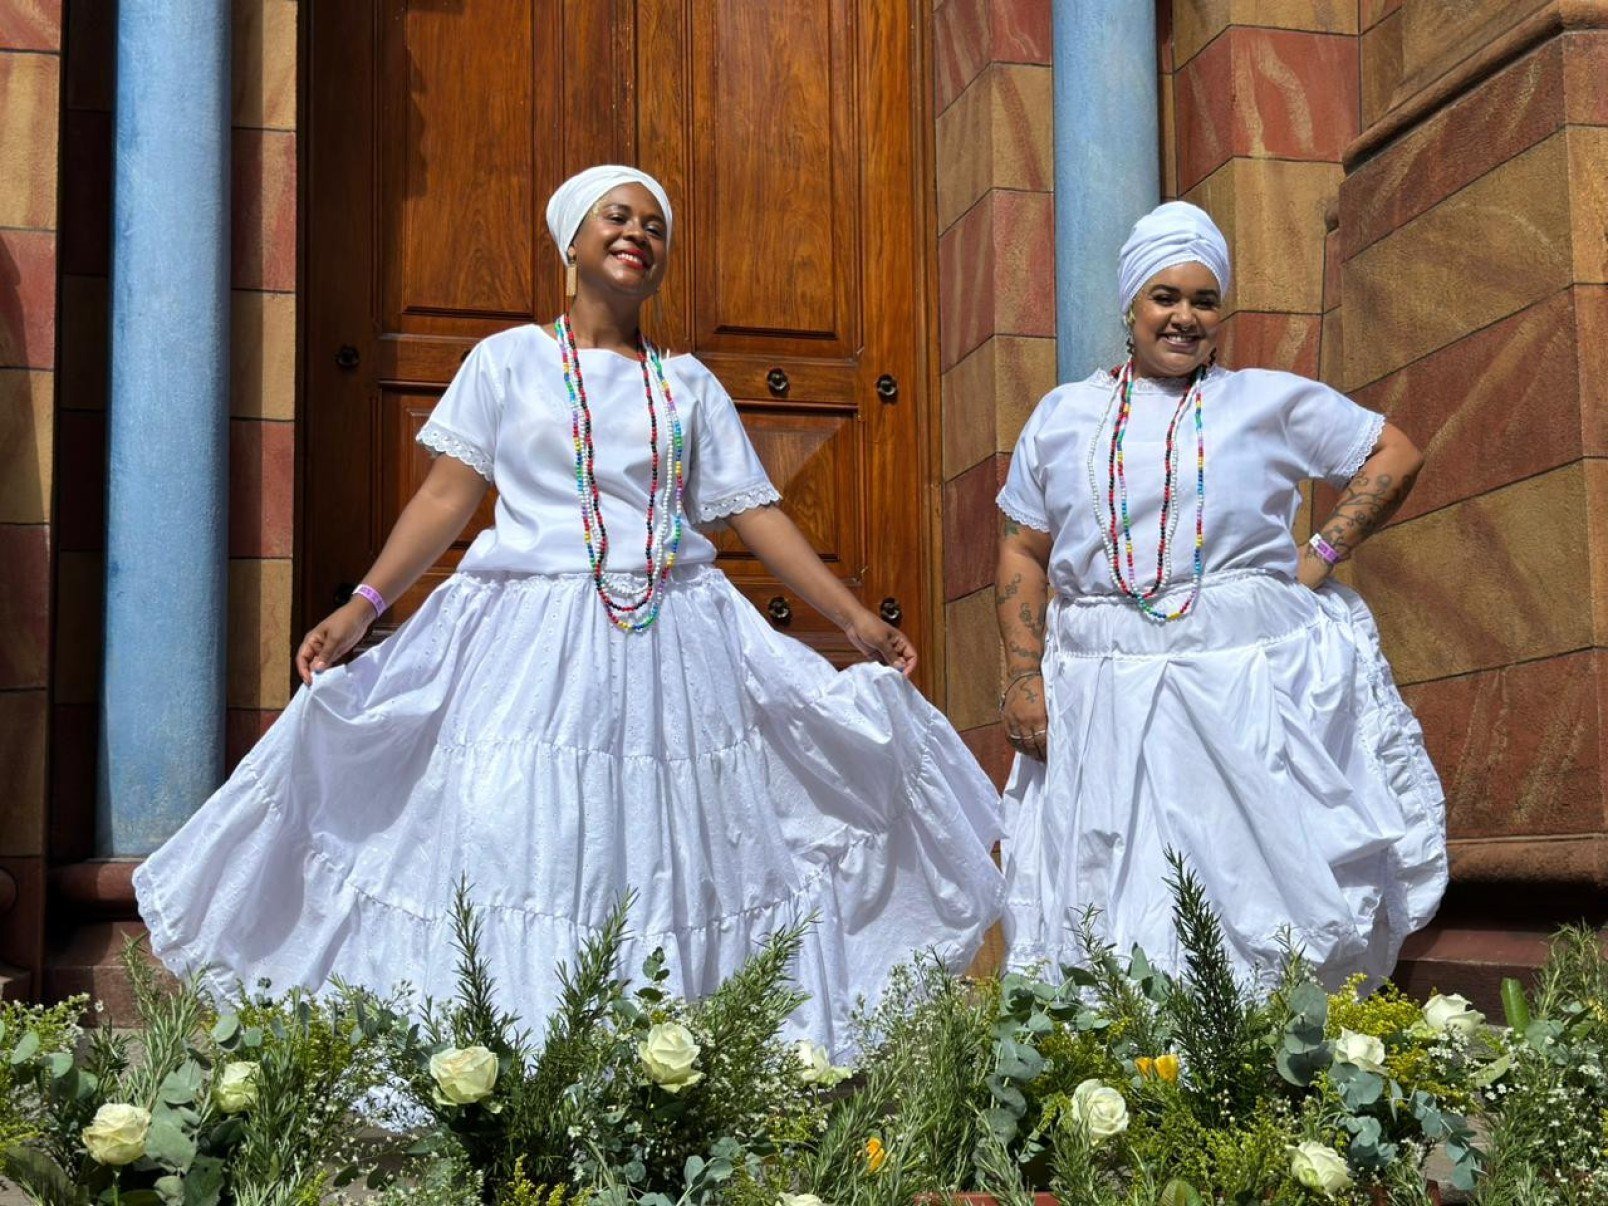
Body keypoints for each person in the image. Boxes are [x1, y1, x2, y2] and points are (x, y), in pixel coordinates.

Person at [134, 166, 1004, 1053]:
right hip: (530, 641)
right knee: (520, 835)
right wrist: (362, 606)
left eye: (655, 226)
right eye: (618, 217)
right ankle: (517, 1061)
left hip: (675, 640)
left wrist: (856, 619)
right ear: (571, 245)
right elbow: (445, 500)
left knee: (671, 854)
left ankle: (663, 1067)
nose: (639, 233)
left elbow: (755, 513)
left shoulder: (687, 383)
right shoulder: (508, 362)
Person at [994, 201, 1445, 986]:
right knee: (1114, 885)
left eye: (1204, 300)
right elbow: (1024, 551)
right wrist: (1024, 676)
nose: (1184, 317)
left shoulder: (1267, 400)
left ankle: (1263, 1069)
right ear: (1131, 304)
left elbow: (1393, 453)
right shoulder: (1062, 417)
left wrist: (1322, 552)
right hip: (1101, 687)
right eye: (1165, 297)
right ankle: (1125, 1070)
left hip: (1239, 687)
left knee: (1245, 882)